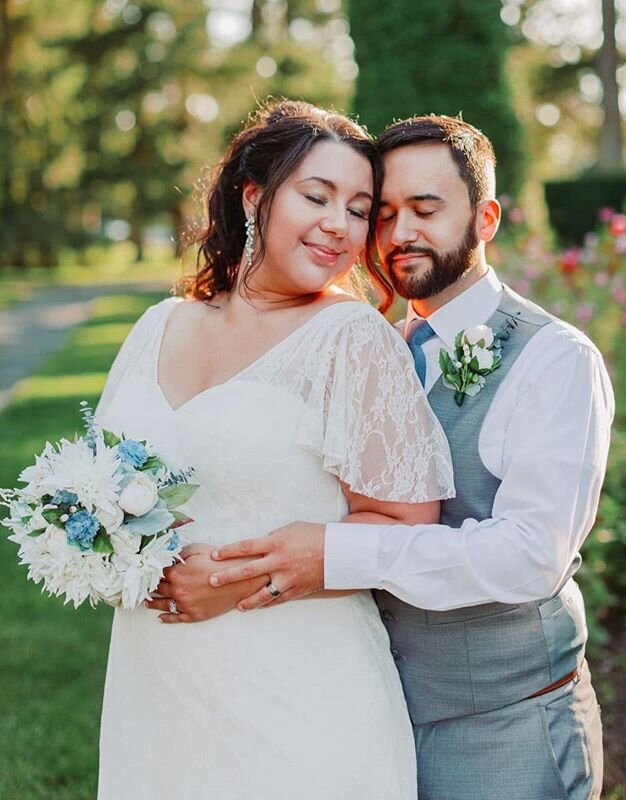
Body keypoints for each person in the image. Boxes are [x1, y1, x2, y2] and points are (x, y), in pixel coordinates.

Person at [207, 114, 615, 800]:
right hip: (371, 718)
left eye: (426, 210)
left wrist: (336, 554)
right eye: (384, 212)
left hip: (504, 727)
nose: (399, 235)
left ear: (485, 219)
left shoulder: (555, 359)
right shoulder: (372, 349)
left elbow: (528, 556)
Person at [95, 100, 454, 799]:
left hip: (297, 689)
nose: (338, 225)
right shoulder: (158, 325)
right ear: (253, 195)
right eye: (316, 196)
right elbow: (103, 480)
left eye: (359, 209)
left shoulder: (350, 339)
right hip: (154, 682)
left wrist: (228, 583)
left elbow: (408, 527)